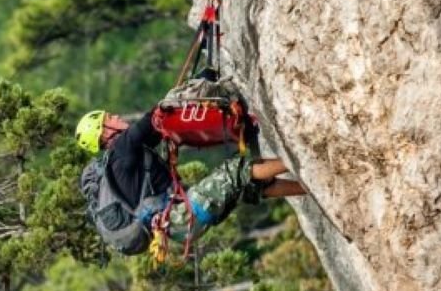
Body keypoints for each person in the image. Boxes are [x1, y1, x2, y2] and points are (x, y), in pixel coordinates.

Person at [75, 108, 305, 255]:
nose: (116, 116)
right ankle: (304, 157)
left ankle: (307, 188)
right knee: (236, 171)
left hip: (178, 225)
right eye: (109, 119)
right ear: (104, 134)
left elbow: (154, 131)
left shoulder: (122, 160)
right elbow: (150, 121)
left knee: (248, 185)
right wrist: (174, 100)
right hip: (181, 216)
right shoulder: (121, 151)